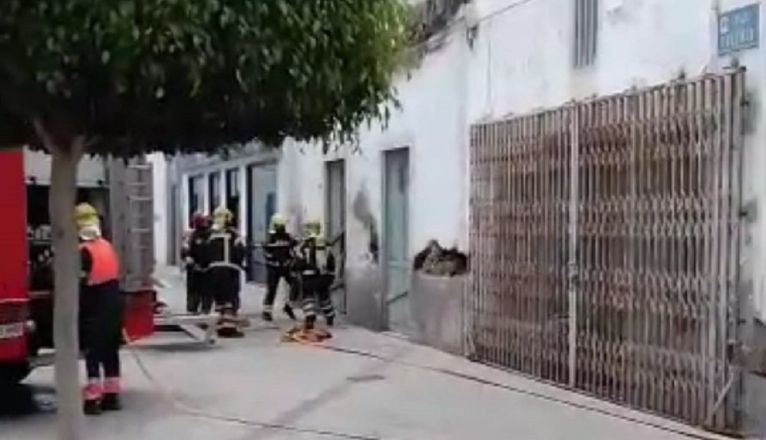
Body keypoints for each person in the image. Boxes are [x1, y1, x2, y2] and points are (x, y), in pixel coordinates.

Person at [75, 203, 124, 415]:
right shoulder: (106, 246)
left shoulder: (82, 251)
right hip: (113, 307)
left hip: (94, 309)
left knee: (93, 354)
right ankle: (112, 396)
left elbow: (79, 281)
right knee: (110, 351)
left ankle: (92, 399)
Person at [289, 220, 336, 342]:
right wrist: (331, 274)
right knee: (324, 296)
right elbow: (332, 261)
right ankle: (330, 316)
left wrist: (295, 269)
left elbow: (298, 261)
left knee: (308, 296)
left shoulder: (303, 245)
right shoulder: (326, 243)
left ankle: (310, 317)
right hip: (325, 277)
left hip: (309, 276)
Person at [207, 207, 246, 337]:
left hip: (214, 272)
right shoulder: (234, 234)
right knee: (230, 300)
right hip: (230, 271)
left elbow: (204, 254)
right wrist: (240, 264)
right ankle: (229, 328)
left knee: (219, 300)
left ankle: (219, 326)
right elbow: (240, 251)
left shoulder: (210, 234)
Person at [262, 213, 298, 322]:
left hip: (286, 266)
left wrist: (291, 260)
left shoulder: (288, 236)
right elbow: (266, 253)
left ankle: (289, 306)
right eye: (278, 225)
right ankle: (266, 311)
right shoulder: (270, 238)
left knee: (296, 284)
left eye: (282, 225)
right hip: (274, 267)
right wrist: (273, 260)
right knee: (272, 289)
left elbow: (294, 249)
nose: (280, 228)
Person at [181, 213, 212, 314]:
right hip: (195, 269)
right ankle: (193, 310)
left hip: (206, 269)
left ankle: (202, 311)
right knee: (196, 293)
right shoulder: (190, 236)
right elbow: (184, 251)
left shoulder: (210, 235)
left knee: (205, 293)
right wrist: (187, 258)